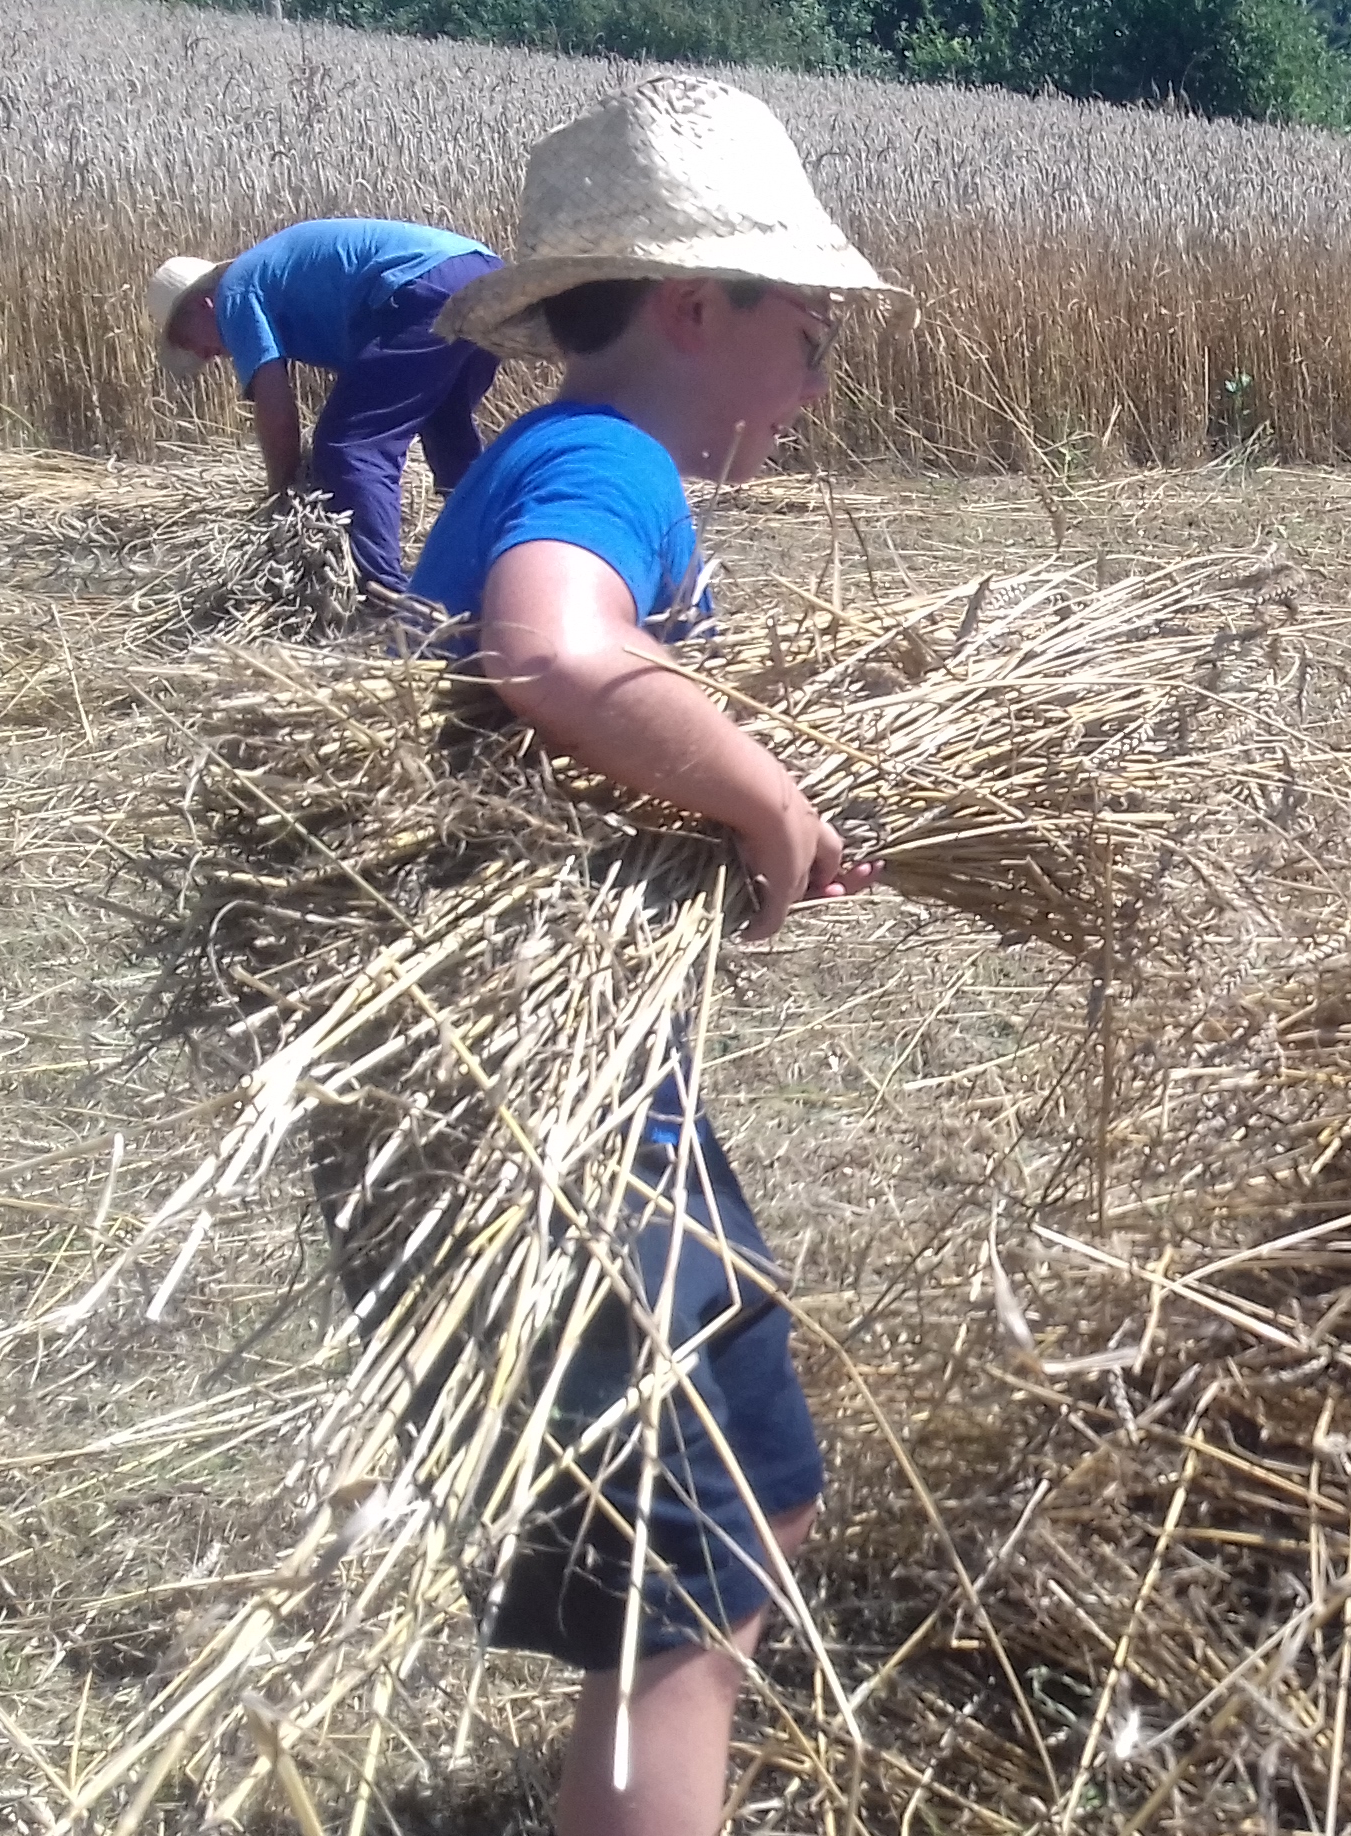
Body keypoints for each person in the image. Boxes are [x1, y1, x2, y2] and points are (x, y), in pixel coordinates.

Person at [406, 75, 893, 1836]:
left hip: (581, 1073)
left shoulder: (568, 455)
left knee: (750, 1494)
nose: (821, 382)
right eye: (812, 334)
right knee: (675, 1591)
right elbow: (546, 650)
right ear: (699, 304)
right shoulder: (601, 462)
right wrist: (765, 805)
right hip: (543, 1111)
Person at [147, 219, 506, 589]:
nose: (201, 355)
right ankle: (491, 566)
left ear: (201, 306)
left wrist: (282, 494)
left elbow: (277, 410)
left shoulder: (233, 292)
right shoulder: (267, 273)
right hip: (483, 276)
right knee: (447, 428)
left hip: (424, 284)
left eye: (183, 339)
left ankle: (384, 594)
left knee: (350, 447)